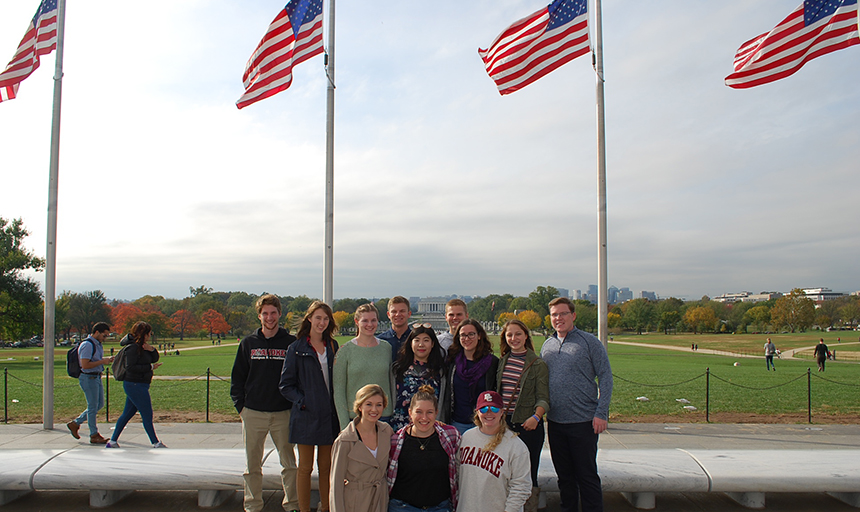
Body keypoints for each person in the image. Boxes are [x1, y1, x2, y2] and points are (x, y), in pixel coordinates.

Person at [541, 297, 612, 512]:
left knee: (587, 476)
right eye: (554, 314)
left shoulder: (589, 342)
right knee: (565, 477)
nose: (558, 318)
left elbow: (606, 377)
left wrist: (602, 412)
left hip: (583, 421)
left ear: (573, 315)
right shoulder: (548, 345)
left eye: (563, 313)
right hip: (555, 421)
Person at [230, 294, 299, 512]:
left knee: (289, 465)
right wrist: (241, 407)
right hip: (253, 413)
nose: (269, 317)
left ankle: (292, 505)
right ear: (259, 316)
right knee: (252, 466)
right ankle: (253, 505)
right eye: (265, 313)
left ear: (280, 314)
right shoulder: (249, 343)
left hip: (283, 413)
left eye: (273, 313)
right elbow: (238, 377)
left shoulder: (290, 343)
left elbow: (299, 377)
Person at [280, 301, 340, 512]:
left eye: (325, 319)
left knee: (326, 468)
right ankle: (303, 508)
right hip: (306, 415)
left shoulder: (332, 346)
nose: (322, 322)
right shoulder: (296, 349)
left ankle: (326, 507)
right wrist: (304, 401)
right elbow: (285, 385)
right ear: (309, 319)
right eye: (318, 318)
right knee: (305, 468)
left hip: (328, 416)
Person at [496, 319, 550, 512]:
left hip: (529, 426)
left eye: (518, 334)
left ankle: (529, 508)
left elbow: (544, 398)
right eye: (509, 335)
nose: (514, 338)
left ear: (526, 335)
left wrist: (536, 417)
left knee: (528, 473)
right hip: (504, 426)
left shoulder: (537, 364)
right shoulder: (502, 361)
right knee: (505, 472)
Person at [387, 385, 460, 512]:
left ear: (436, 413)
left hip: (439, 507)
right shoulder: (395, 441)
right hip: (402, 507)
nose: (424, 418)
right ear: (410, 413)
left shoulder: (451, 436)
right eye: (419, 412)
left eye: (429, 412)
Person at [457, 391, 531, 512]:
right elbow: (457, 472)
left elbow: (521, 487)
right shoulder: (466, 438)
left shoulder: (516, 446)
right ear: (477, 412)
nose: (489, 413)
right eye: (484, 408)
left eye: (495, 409)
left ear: (502, 412)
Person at [330, 384, 393, 512]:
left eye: (379, 405)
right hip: (354, 503)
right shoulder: (345, 441)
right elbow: (336, 485)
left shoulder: (387, 432)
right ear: (360, 406)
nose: (374, 409)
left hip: (380, 501)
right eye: (368, 404)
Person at [105, 321, 166, 448]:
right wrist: (150, 367)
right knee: (147, 413)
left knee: (127, 414)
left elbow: (154, 358)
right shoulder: (132, 348)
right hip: (134, 384)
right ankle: (155, 442)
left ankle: (113, 441)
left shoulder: (143, 347)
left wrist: (152, 349)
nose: (150, 336)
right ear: (144, 334)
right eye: (149, 333)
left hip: (140, 384)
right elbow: (131, 367)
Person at [333, 303, 393, 429]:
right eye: (365, 320)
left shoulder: (386, 348)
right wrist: (344, 426)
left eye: (373, 320)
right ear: (356, 321)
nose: (370, 325)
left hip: (383, 418)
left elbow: (391, 383)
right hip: (355, 418)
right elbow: (338, 391)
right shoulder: (345, 351)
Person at [441, 319, 499, 433]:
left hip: (484, 423)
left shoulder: (492, 363)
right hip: (457, 423)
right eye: (463, 335)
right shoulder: (452, 361)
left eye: (471, 334)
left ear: (479, 336)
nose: (467, 339)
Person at [389, 323, 447, 432]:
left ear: (433, 344)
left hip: (429, 427)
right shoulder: (398, 369)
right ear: (410, 343)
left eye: (426, 340)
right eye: (417, 340)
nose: (421, 344)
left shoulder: (439, 371)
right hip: (400, 427)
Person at [67, 322, 114, 444]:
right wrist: (102, 361)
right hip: (88, 377)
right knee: (92, 406)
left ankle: (76, 423)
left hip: (96, 377)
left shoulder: (97, 344)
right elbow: (85, 364)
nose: (105, 338)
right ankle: (94, 434)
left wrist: (105, 360)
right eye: (104, 335)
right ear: (97, 332)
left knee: (99, 404)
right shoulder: (87, 345)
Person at [377, 296, 412, 362]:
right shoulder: (379, 341)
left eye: (402, 311)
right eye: (394, 311)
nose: (398, 314)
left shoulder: (416, 339)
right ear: (388, 315)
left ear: (409, 314)